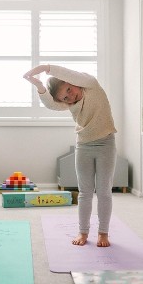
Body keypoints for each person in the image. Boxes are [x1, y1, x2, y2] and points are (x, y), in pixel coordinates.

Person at [23, 64, 116, 247]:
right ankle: (83, 232)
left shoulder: (91, 85)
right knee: (85, 192)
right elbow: (50, 104)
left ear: (71, 82)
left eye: (68, 89)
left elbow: (69, 74)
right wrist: (38, 85)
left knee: (104, 191)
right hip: (84, 146)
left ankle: (103, 232)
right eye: (65, 97)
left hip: (106, 144)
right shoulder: (71, 105)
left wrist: (46, 68)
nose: (70, 96)